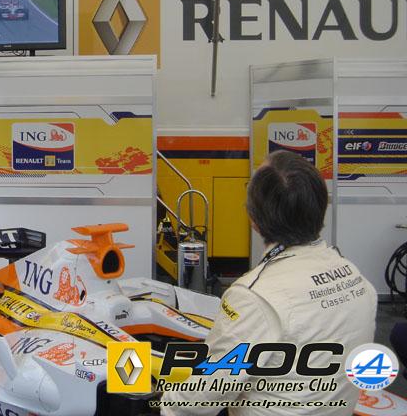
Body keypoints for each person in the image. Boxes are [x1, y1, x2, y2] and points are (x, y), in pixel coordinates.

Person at [161, 150, 377, 415]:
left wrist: (163, 402)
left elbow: (204, 395)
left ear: (253, 219)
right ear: (320, 207)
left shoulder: (254, 296)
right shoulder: (356, 277)